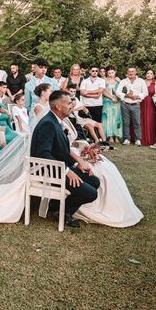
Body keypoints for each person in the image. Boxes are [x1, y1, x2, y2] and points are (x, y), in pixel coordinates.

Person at [30, 90, 99, 228]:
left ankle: (56, 207)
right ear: (58, 107)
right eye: (68, 103)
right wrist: (67, 171)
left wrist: (78, 163)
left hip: (59, 166)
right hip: (48, 170)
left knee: (94, 181)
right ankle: (64, 212)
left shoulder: (56, 120)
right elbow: (44, 154)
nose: (72, 105)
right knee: (91, 193)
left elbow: (62, 150)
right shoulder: (48, 124)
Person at [115, 67, 148, 146]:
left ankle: (138, 140)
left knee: (137, 123)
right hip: (125, 104)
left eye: (133, 71)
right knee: (126, 122)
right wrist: (126, 95)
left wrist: (138, 96)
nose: (131, 73)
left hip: (136, 104)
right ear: (127, 72)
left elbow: (145, 92)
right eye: (129, 71)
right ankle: (126, 139)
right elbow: (117, 92)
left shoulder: (141, 81)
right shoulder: (123, 81)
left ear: (136, 72)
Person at [102, 65, 123, 143]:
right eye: (109, 73)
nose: (111, 74)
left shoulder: (118, 80)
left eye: (112, 72)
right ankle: (110, 135)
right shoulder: (104, 81)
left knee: (117, 118)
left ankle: (117, 136)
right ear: (107, 73)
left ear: (115, 72)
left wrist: (120, 81)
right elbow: (103, 91)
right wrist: (111, 98)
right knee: (109, 118)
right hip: (108, 101)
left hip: (117, 102)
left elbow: (124, 89)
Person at [140, 69, 156, 146]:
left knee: (149, 120)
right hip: (141, 102)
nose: (149, 75)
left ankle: (149, 139)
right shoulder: (141, 82)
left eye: (151, 73)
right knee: (140, 120)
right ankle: (140, 139)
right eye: (147, 73)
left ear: (153, 75)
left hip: (150, 103)